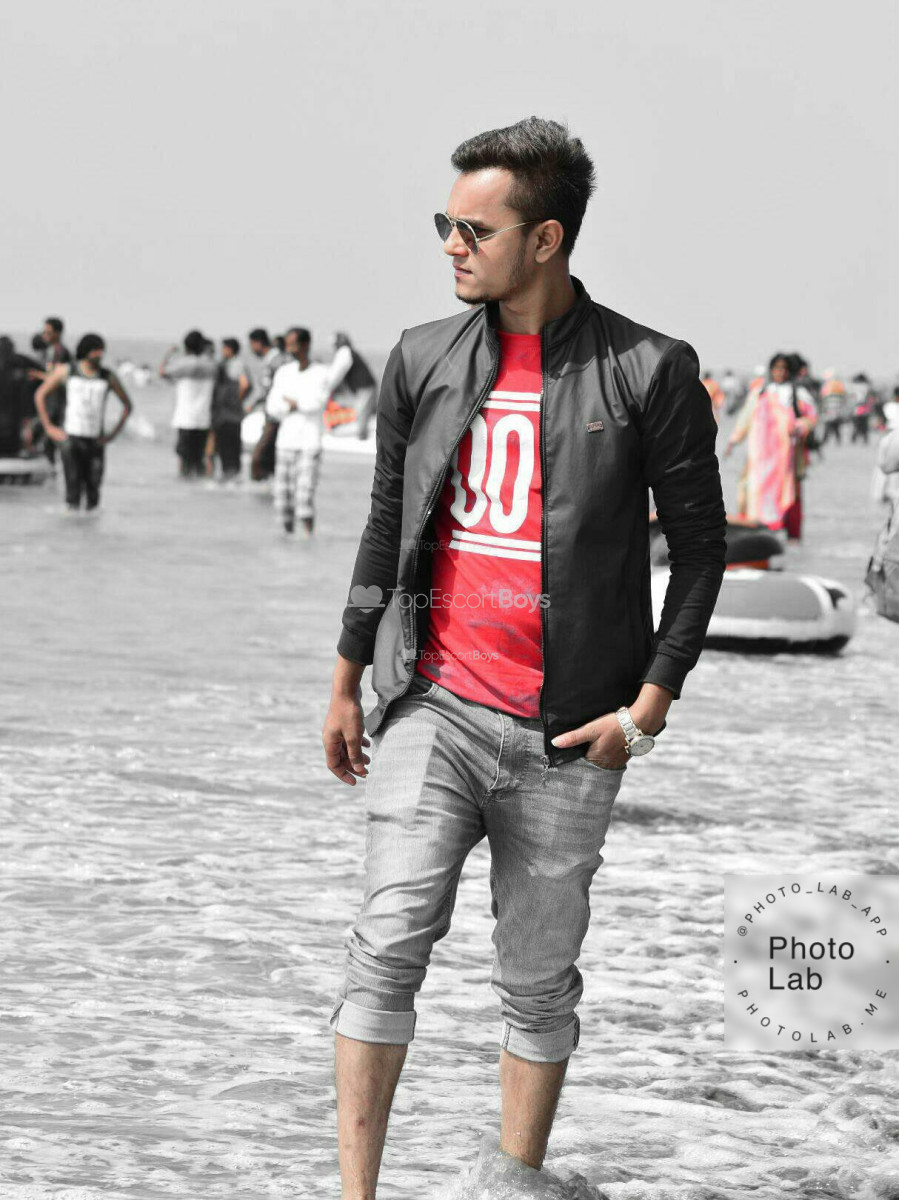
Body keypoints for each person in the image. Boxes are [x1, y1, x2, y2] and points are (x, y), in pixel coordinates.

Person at [322, 116, 727, 1195]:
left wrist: (646, 709)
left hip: (571, 729)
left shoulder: (647, 369)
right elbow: (385, 527)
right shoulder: (421, 356)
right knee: (386, 942)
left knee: (538, 982)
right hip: (434, 703)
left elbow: (698, 553)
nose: (450, 246)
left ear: (544, 238)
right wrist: (347, 676)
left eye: (474, 229)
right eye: (443, 224)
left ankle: (514, 1183)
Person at [265, 327, 352, 535]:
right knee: (283, 499)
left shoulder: (320, 372)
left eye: (293, 344)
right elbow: (272, 406)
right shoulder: (284, 373)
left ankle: (307, 538)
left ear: (305, 345)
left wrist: (295, 403)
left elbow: (318, 402)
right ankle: (288, 541)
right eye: (288, 345)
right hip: (285, 442)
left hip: (309, 443)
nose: (289, 349)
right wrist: (293, 405)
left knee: (304, 498)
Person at [33, 333, 132, 511]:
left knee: (94, 493)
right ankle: (72, 525)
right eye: (96, 350)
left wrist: (113, 434)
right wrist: (48, 427)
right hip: (71, 439)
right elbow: (40, 395)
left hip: (95, 440)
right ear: (86, 351)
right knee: (73, 491)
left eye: (101, 350)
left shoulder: (106, 376)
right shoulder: (68, 371)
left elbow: (127, 405)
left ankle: (90, 526)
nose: (100, 354)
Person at [724, 353, 817, 540]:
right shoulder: (760, 392)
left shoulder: (798, 394)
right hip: (759, 453)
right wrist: (733, 440)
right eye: (776, 368)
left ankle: (782, 533)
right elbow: (745, 419)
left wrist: (799, 427)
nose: (779, 372)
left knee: (783, 492)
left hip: (785, 455)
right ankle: (758, 529)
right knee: (753, 489)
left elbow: (811, 418)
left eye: (783, 369)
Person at [159, 331, 218, 477]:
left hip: (185, 418)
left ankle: (186, 487)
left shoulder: (184, 365)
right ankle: (199, 486)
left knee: (184, 459)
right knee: (199, 459)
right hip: (203, 418)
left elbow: (162, 372)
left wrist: (168, 355)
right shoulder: (211, 367)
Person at [247, 328, 290, 481]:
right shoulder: (278, 359)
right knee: (271, 451)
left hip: (275, 412)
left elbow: (267, 389)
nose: (251, 349)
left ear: (258, 343)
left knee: (260, 454)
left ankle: (259, 483)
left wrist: (251, 405)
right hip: (278, 411)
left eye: (251, 345)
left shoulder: (273, 360)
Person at [210, 338, 251, 482]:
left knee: (228, 448)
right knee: (230, 448)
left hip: (228, 414)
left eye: (223, 348)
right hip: (230, 414)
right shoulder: (231, 363)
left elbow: (245, 384)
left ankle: (230, 478)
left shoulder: (235, 364)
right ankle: (231, 478)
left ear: (229, 349)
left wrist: (235, 400)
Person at [328, 332, 379, 439]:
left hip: (365, 387)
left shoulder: (344, 352)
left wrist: (328, 387)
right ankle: (362, 435)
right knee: (362, 411)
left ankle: (362, 436)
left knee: (362, 411)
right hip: (363, 387)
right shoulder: (348, 352)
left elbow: (336, 373)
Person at [819, 370, 848, 446]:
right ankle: (837, 441)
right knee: (835, 427)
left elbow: (823, 399)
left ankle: (825, 440)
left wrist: (823, 410)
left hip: (829, 411)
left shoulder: (826, 386)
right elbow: (844, 399)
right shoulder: (840, 386)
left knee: (829, 427)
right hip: (837, 411)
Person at [849, 373, 876, 444]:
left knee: (856, 426)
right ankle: (864, 440)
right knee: (864, 427)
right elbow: (869, 399)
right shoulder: (867, 387)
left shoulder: (855, 387)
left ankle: (854, 440)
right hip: (865, 411)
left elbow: (853, 399)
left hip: (857, 410)